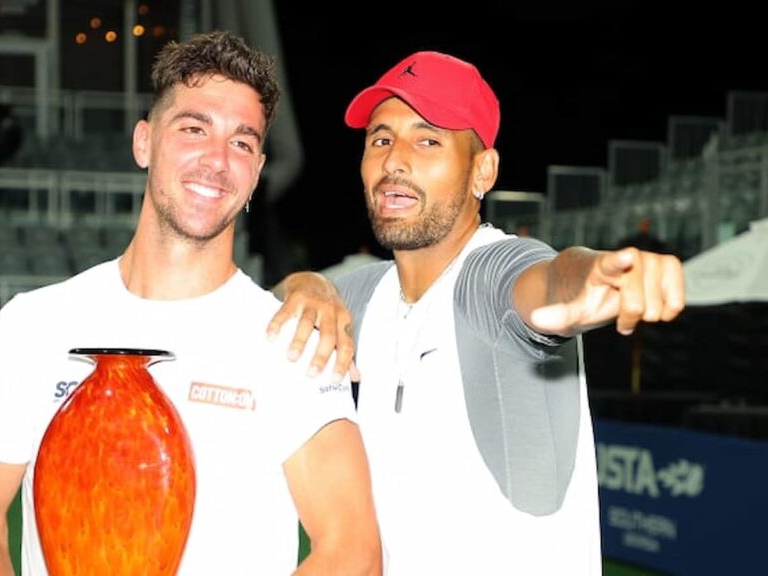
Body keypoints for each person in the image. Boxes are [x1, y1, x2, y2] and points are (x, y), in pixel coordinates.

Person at [0, 31, 381, 575]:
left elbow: (352, 552)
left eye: (241, 142)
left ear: (257, 173)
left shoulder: (291, 340)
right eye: (194, 129)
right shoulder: (32, 325)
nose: (217, 160)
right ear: (144, 143)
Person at [274, 50, 685, 574]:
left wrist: (589, 278)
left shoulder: (489, 274)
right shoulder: (370, 293)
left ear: (482, 172)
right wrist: (306, 284)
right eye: (380, 138)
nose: (394, 160)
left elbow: (546, 278)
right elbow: (262, 307)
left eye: (428, 140)